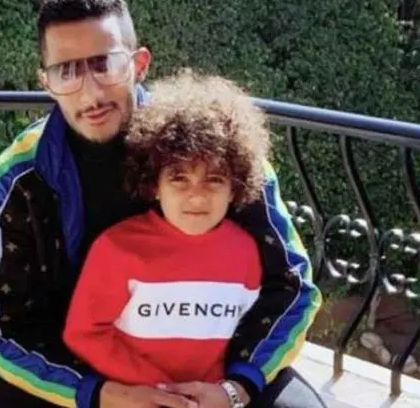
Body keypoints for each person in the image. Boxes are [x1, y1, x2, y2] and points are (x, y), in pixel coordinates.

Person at [0, 0, 324, 408]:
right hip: (79, 369)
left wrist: (237, 386)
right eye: (67, 71)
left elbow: (292, 286)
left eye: (105, 64)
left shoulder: (218, 150)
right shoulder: (17, 182)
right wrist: (98, 393)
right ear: (47, 81)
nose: (91, 92)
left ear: (139, 64)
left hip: (219, 369)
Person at [62, 71, 270, 407]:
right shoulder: (117, 248)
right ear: (154, 184)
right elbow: (85, 333)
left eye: (214, 179)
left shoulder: (246, 251)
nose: (197, 196)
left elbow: (247, 331)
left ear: (235, 188)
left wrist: (227, 392)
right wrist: (161, 391)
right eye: (179, 178)